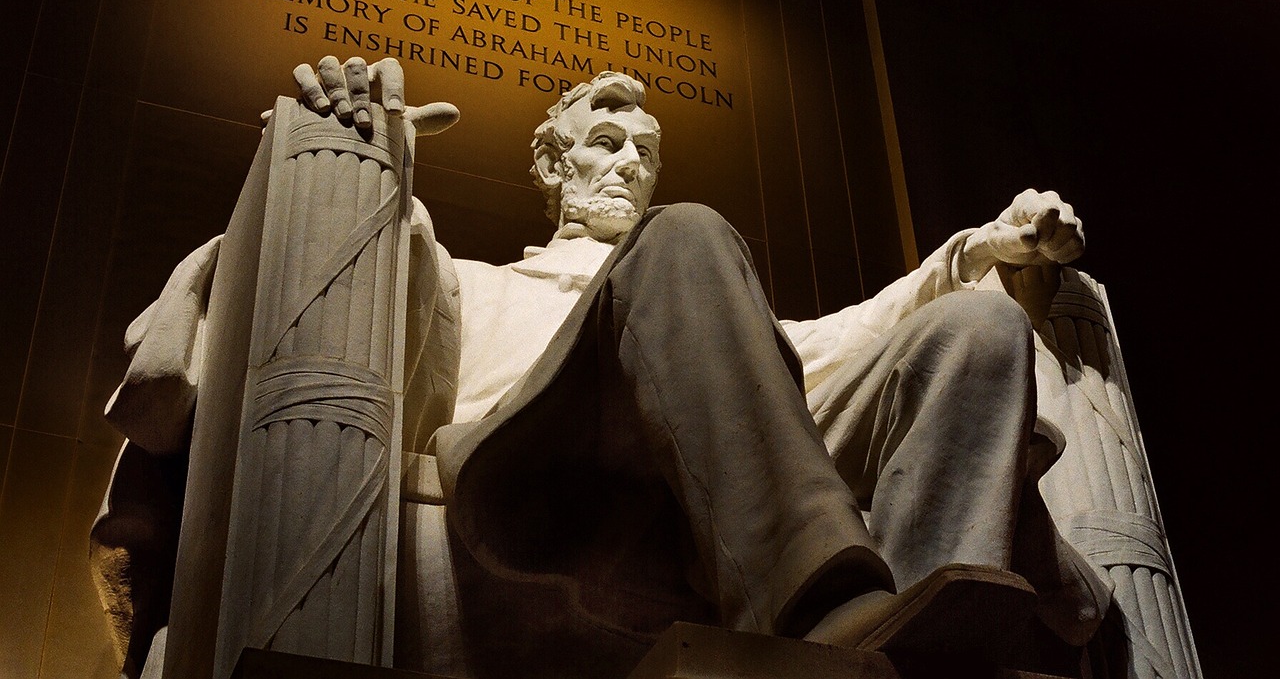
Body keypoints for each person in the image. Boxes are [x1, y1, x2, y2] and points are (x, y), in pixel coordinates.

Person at [93, 56, 1109, 679]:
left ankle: (920, 640)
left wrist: (977, 255)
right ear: (552, 166)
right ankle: (820, 615)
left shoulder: (709, 307)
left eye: (643, 151)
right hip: (538, 484)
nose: (629, 163)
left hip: (702, 475)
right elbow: (380, 278)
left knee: (976, 329)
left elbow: (847, 341)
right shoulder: (476, 282)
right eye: (607, 141)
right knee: (688, 236)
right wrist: (353, 141)